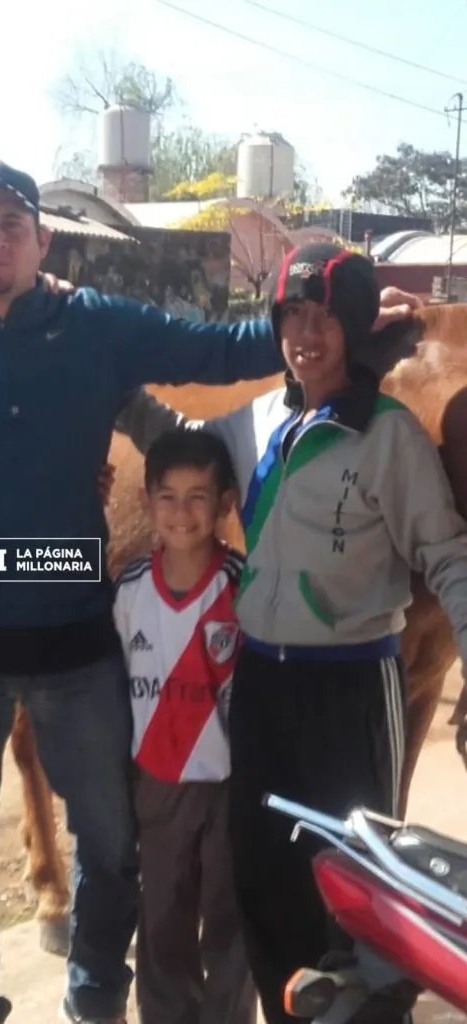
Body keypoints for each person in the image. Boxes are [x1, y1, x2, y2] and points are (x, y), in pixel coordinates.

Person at [0, 163, 418, 1024]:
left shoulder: (97, 328)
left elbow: (217, 346)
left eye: (15, 222)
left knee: (112, 841)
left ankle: (94, 994)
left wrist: (335, 331)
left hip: (75, 637)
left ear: (45, 240)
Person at [115, 242, 467, 1023]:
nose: (305, 332)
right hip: (263, 684)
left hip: (348, 688)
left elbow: (447, 559)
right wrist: (101, 363)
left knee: (353, 896)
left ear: (349, 324)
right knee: (265, 881)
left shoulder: (386, 436)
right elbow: (175, 434)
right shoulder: (259, 418)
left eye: (324, 316)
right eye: (291, 315)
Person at [114, 428, 255, 1024]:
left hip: (229, 786)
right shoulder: (126, 591)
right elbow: (115, 691)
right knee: (163, 919)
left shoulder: (245, 587)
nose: (182, 512)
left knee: (230, 921)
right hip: (159, 786)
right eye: (167, 497)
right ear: (147, 504)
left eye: (199, 496)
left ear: (225, 503)